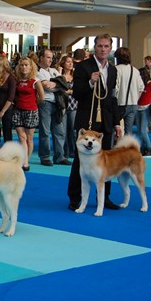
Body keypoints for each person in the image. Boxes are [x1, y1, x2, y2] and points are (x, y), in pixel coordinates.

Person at [67, 33, 122, 211]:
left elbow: (112, 98)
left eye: (106, 46)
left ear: (110, 49)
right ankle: (75, 198)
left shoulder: (113, 70)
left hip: (105, 122)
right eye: (100, 46)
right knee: (80, 161)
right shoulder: (83, 67)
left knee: (106, 162)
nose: (103, 49)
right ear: (94, 48)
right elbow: (77, 93)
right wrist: (90, 82)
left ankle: (104, 197)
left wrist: (116, 122)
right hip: (87, 121)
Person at [36, 48, 70, 166]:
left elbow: (64, 85)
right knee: (45, 132)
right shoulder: (37, 72)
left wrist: (55, 83)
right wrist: (58, 83)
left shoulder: (54, 70)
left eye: (51, 57)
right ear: (41, 58)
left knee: (60, 131)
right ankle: (45, 156)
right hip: (45, 103)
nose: (51, 60)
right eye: (48, 57)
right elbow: (46, 86)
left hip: (58, 103)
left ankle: (59, 156)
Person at [12, 57, 44, 171]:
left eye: (26, 65)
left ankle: (26, 160)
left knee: (29, 138)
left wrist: (32, 104)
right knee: (22, 137)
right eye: (22, 65)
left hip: (31, 111)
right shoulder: (17, 80)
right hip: (18, 110)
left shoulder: (35, 81)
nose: (24, 67)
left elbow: (42, 97)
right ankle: (24, 161)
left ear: (31, 67)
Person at [0, 55, 16, 158]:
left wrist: (3, 111)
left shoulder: (11, 78)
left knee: (7, 133)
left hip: (7, 110)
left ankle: (8, 156)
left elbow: (11, 97)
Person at [115, 47, 144, 135]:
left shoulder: (116, 69)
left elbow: (115, 88)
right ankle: (128, 148)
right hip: (133, 103)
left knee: (115, 129)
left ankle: (115, 147)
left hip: (119, 103)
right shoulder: (135, 70)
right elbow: (141, 88)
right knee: (129, 131)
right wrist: (135, 98)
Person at [59, 55, 78, 159]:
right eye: (68, 62)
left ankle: (74, 151)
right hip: (62, 106)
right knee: (64, 131)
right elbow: (59, 90)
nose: (70, 64)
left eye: (71, 62)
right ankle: (65, 152)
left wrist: (69, 91)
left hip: (74, 105)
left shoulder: (75, 76)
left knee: (73, 130)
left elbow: (78, 90)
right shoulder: (59, 76)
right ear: (63, 63)